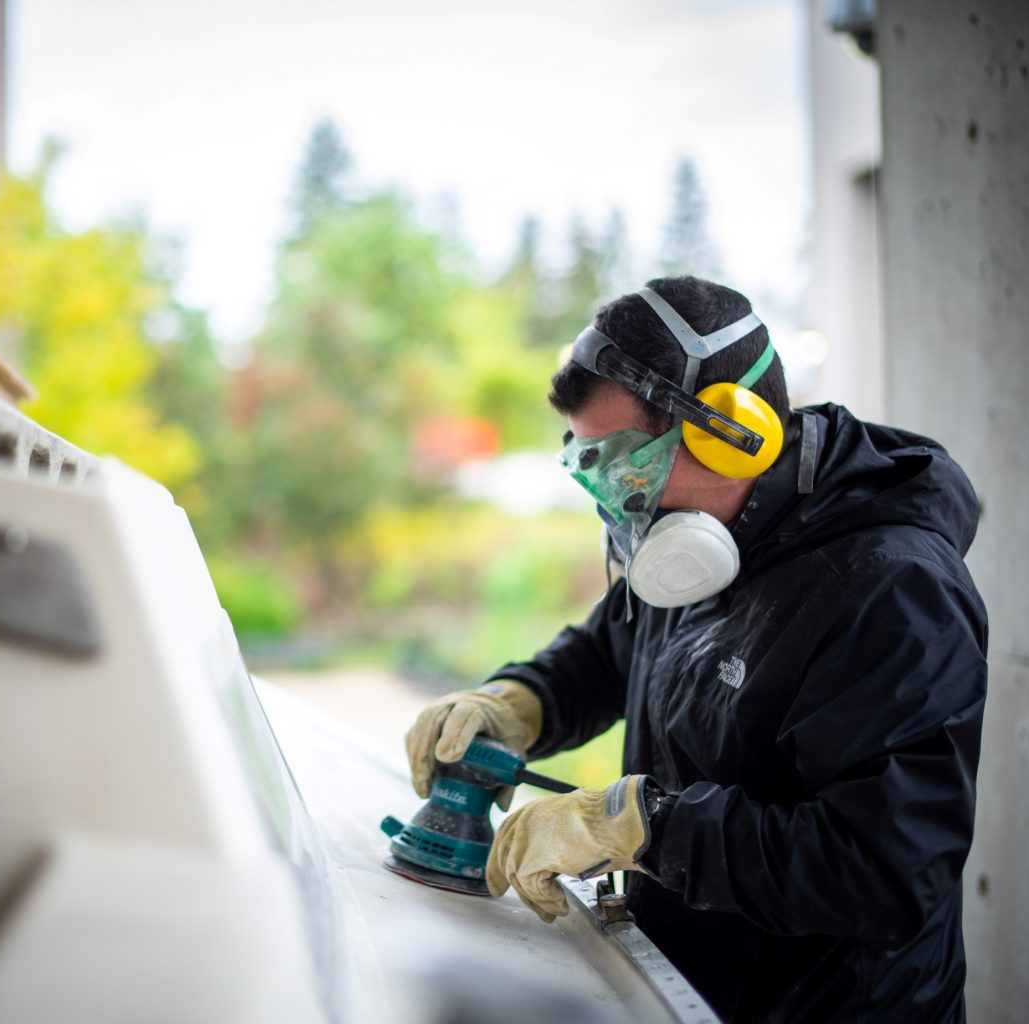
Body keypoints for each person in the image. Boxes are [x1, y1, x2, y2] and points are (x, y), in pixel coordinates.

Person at [404, 276, 988, 1022]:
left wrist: (645, 826)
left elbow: (885, 868)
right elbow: (608, 653)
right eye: (594, 466)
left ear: (733, 432)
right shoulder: (700, 539)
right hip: (697, 989)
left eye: (627, 461)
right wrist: (520, 702)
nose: (618, 497)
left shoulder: (892, 590)